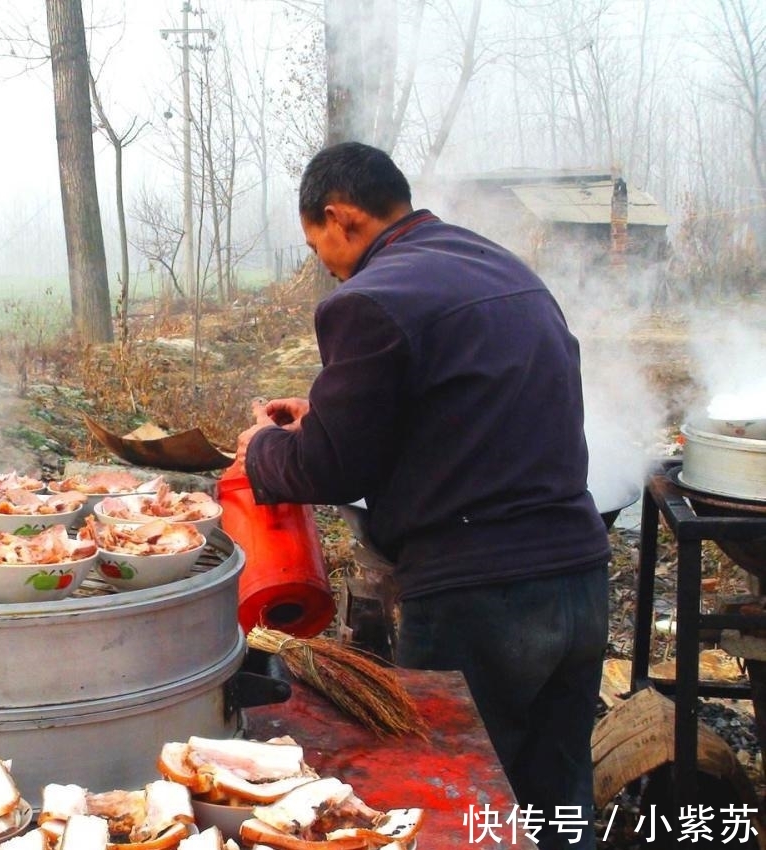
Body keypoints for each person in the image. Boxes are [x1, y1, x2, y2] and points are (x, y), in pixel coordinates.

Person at [236, 142, 611, 850]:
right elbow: (462, 408)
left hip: (480, 597)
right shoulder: (498, 267)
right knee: (555, 799)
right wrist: (321, 415)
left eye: (321, 247)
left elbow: (333, 471)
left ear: (337, 215)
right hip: (579, 579)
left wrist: (263, 449)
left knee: (444, 803)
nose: (327, 266)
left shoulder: (367, 301)